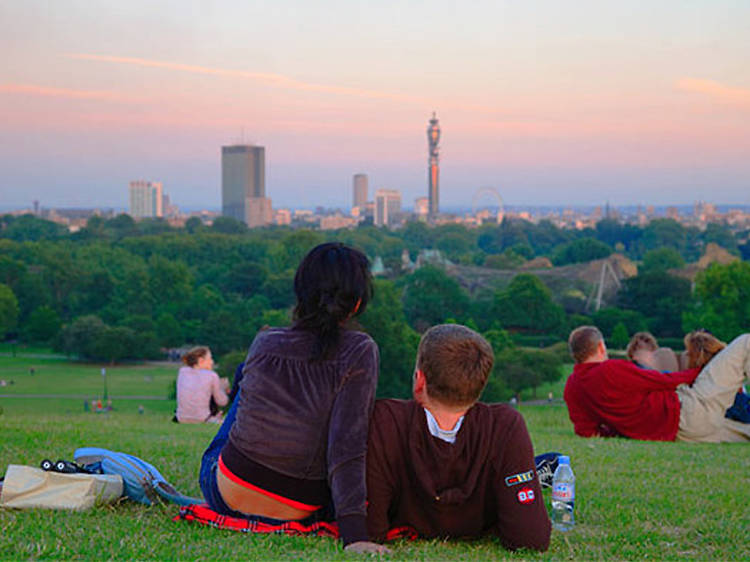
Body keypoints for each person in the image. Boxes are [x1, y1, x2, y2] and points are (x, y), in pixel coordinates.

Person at [199, 242, 387, 554]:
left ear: (302, 294)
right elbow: (347, 445)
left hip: (228, 493)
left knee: (246, 379)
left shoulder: (265, 341)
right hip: (301, 503)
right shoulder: (361, 350)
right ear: (356, 304)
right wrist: (354, 534)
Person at [366, 324, 551, 551]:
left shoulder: (386, 421)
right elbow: (531, 540)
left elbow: (369, 529)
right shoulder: (504, 426)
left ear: (420, 380)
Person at [564, 326, 750, 443]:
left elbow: (586, 430)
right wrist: (702, 370)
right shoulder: (610, 369)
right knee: (745, 343)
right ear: (601, 347)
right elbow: (663, 381)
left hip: (679, 435)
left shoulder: (571, 388)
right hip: (688, 412)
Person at [175, 346, 229, 424]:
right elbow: (222, 402)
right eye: (210, 359)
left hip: (181, 418)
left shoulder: (182, 372)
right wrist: (223, 388)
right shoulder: (212, 375)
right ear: (201, 361)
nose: (212, 362)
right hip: (203, 419)